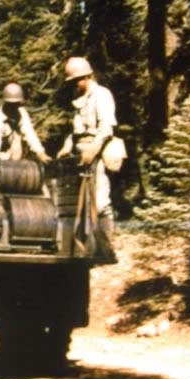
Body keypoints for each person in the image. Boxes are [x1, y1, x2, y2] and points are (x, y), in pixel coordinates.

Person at [57, 56, 117, 263]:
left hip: (96, 153)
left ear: (87, 76)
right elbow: (76, 131)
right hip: (80, 154)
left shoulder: (102, 95)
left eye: (77, 80)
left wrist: (94, 149)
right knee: (81, 202)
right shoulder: (81, 98)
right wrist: (67, 146)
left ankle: (106, 248)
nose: (74, 84)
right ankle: (88, 246)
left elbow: (107, 127)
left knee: (100, 202)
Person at [0, 82, 51, 164]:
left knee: (16, 136)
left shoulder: (21, 113)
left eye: (16, 104)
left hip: (12, 156)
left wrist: (40, 153)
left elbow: (30, 133)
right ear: (6, 102)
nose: (14, 108)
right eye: (11, 105)